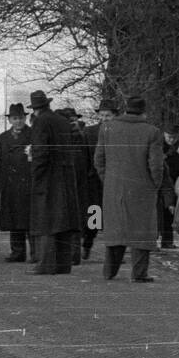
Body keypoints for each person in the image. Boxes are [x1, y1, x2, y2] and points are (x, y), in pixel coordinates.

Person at [94, 95, 163, 282]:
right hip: (142, 188)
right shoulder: (152, 132)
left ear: (125, 109)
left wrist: (107, 180)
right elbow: (156, 165)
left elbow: (98, 159)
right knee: (142, 230)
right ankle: (139, 274)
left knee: (116, 230)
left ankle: (109, 272)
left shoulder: (107, 128)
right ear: (144, 111)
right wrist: (155, 184)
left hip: (114, 187)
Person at [27, 91, 81, 274]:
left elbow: (41, 152)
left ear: (35, 110)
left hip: (49, 176)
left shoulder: (40, 122)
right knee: (63, 220)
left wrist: (35, 174)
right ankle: (63, 264)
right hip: (66, 175)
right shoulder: (62, 120)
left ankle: (46, 264)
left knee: (47, 219)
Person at [0, 103, 32, 262]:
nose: (18, 121)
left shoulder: (32, 134)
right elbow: (0, 160)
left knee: (29, 218)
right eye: (15, 118)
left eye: (21, 118)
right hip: (10, 184)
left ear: (25, 118)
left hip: (27, 182)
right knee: (14, 219)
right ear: (10, 120)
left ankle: (35, 252)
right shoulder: (3, 137)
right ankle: (17, 252)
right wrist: (2, 182)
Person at [81, 104, 114, 261]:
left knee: (114, 217)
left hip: (114, 179)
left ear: (114, 116)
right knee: (94, 216)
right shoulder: (90, 132)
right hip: (94, 180)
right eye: (101, 115)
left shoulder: (120, 132)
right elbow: (85, 156)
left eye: (107, 115)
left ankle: (114, 251)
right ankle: (87, 245)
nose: (104, 119)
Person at [57, 106, 89, 265]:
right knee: (74, 219)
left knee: (70, 219)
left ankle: (71, 254)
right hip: (77, 182)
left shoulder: (71, 137)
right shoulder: (80, 136)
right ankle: (73, 254)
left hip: (73, 181)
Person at [157, 125, 179, 249]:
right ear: (164, 134)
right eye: (169, 137)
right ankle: (151, 240)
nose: (171, 140)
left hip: (173, 183)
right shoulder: (157, 146)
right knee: (156, 213)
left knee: (169, 212)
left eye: (174, 138)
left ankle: (167, 241)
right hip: (159, 182)